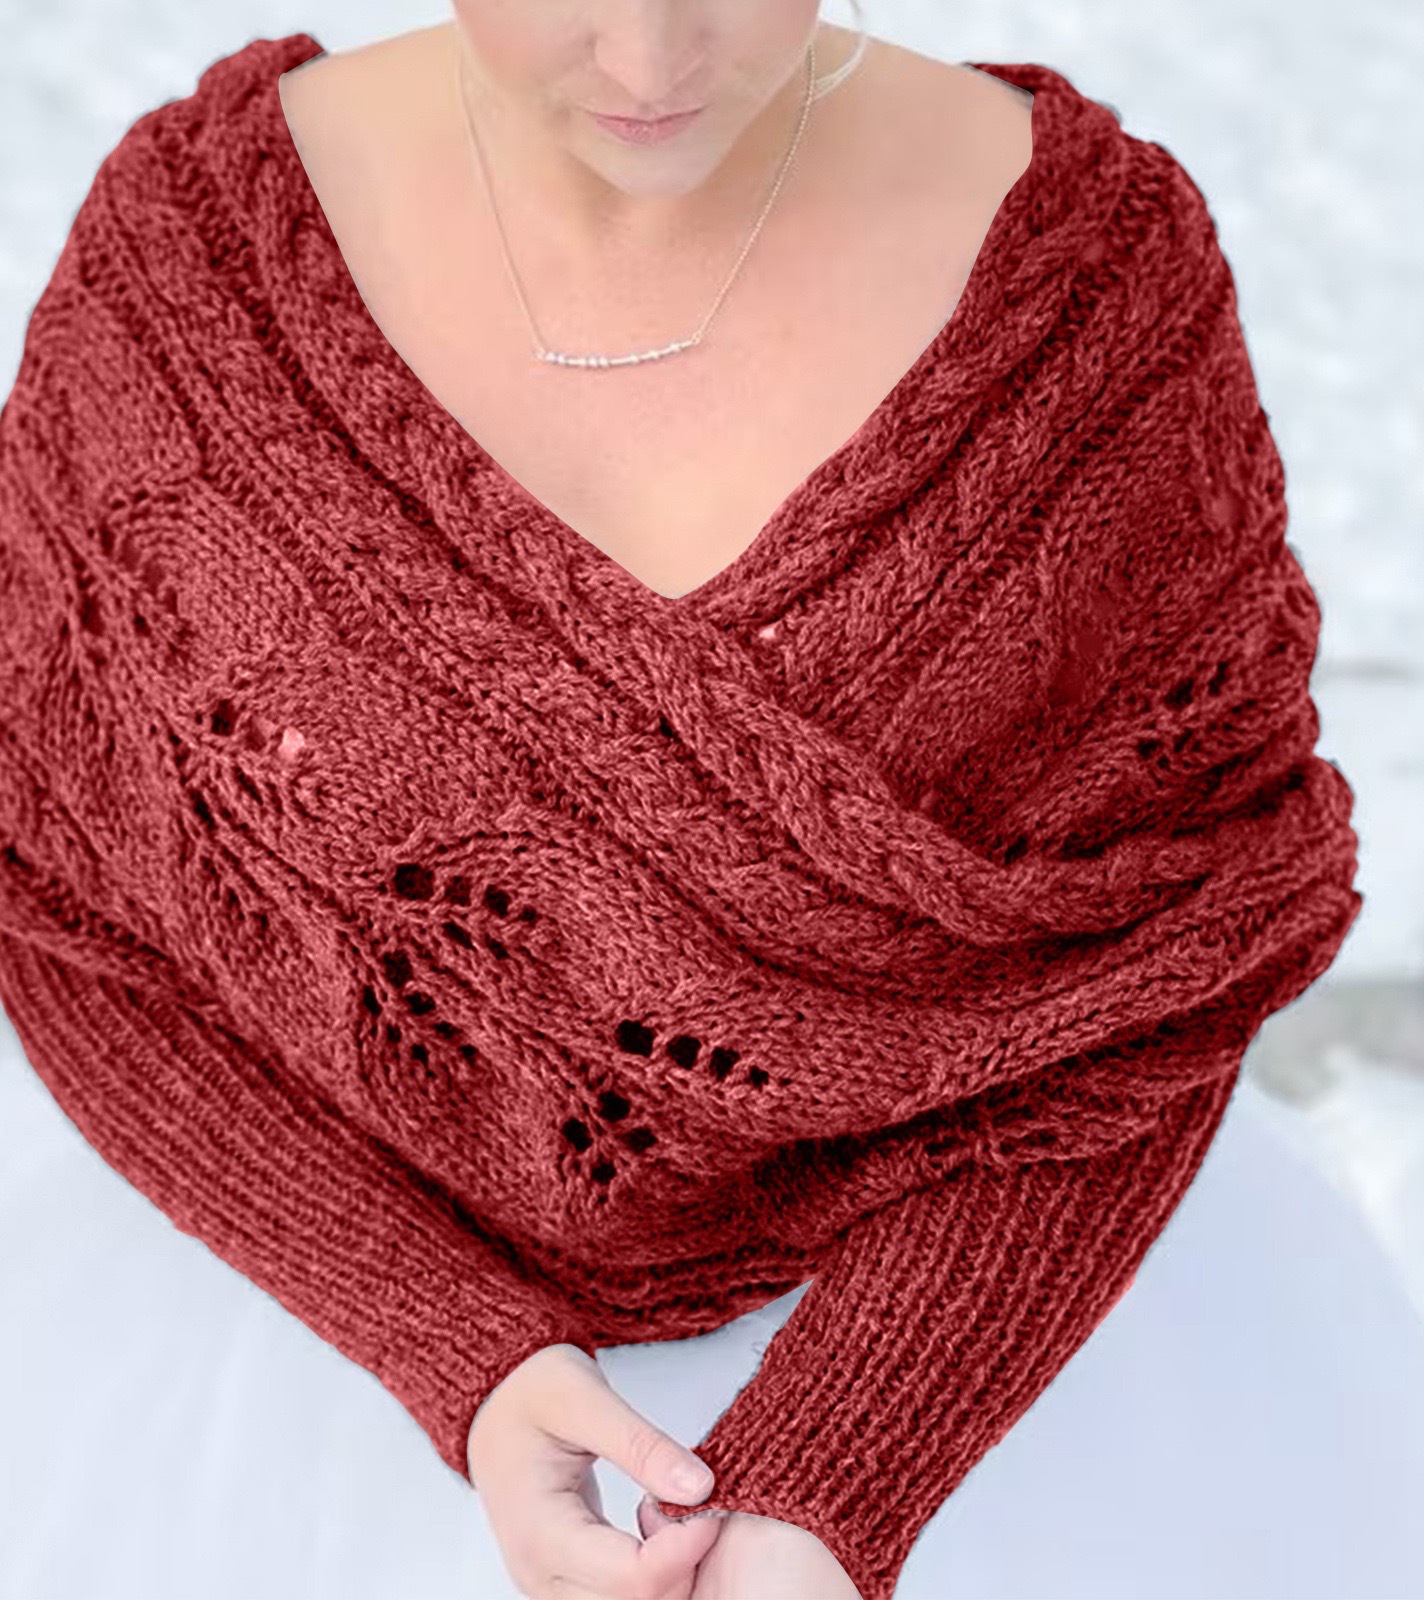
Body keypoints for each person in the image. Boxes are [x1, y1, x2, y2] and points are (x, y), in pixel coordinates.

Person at [277, 4, 1029, 1596]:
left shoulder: (1086, 283)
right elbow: (73, 911)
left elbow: (1178, 956)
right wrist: (451, 1342)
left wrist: (846, 1458)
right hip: (303, 1347)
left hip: (1010, 1350)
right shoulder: (191, 271)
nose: (648, 65)